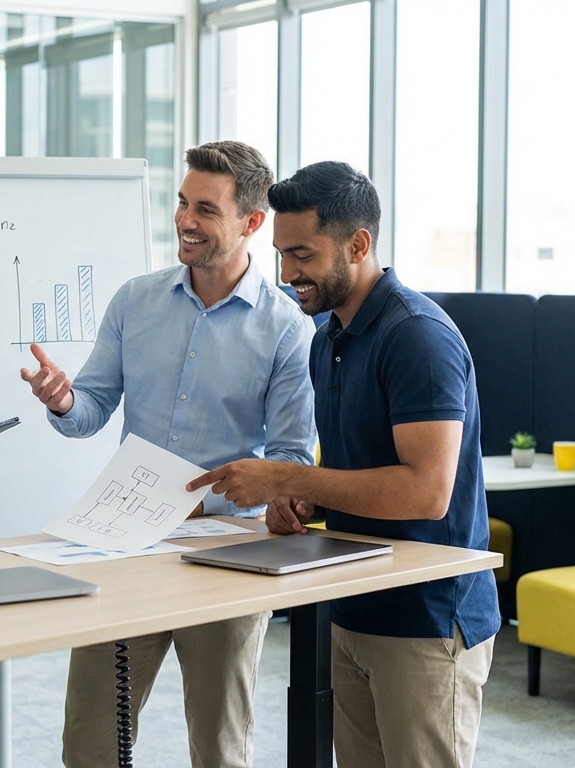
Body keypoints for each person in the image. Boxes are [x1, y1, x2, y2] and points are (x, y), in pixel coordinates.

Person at [187, 160, 500, 768]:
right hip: (353, 603)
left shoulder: (417, 337)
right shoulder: (328, 335)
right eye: (280, 254)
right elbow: (361, 468)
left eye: (302, 255)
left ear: (358, 244)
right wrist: (308, 502)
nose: (286, 274)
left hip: (426, 616)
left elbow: (426, 493)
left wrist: (284, 476)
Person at [20, 140, 316, 768]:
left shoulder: (288, 329)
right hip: (124, 541)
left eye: (206, 209)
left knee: (219, 746)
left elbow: (289, 457)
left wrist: (272, 498)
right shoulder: (136, 300)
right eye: (182, 203)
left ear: (252, 223)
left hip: (226, 553)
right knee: (91, 742)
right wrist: (64, 399)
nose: (185, 220)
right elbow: (90, 413)